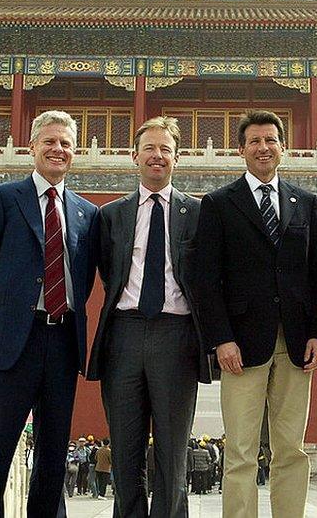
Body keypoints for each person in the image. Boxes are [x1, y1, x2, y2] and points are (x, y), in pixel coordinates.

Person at [193, 110, 317, 518]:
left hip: (294, 342)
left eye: (271, 140)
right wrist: (221, 339)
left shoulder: (304, 202)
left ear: (283, 147)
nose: (263, 148)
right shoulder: (219, 204)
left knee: (291, 447)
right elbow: (207, 280)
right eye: (254, 141)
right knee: (239, 449)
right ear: (241, 150)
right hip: (240, 343)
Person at [0, 110, 99, 517]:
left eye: (66, 144)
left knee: (53, 456)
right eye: (50, 141)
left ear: (74, 154)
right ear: (33, 147)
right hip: (13, 344)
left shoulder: (86, 213)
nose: (58, 150)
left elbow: (85, 277)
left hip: (62, 343)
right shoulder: (3, 199)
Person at [86, 115, 210, 517]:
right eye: (150, 149)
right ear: (134, 156)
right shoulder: (111, 216)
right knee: (125, 449)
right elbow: (108, 273)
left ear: (178, 158)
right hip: (124, 332)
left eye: (166, 150)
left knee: (173, 452)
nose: (157, 157)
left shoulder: (197, 213)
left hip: (177, 335)